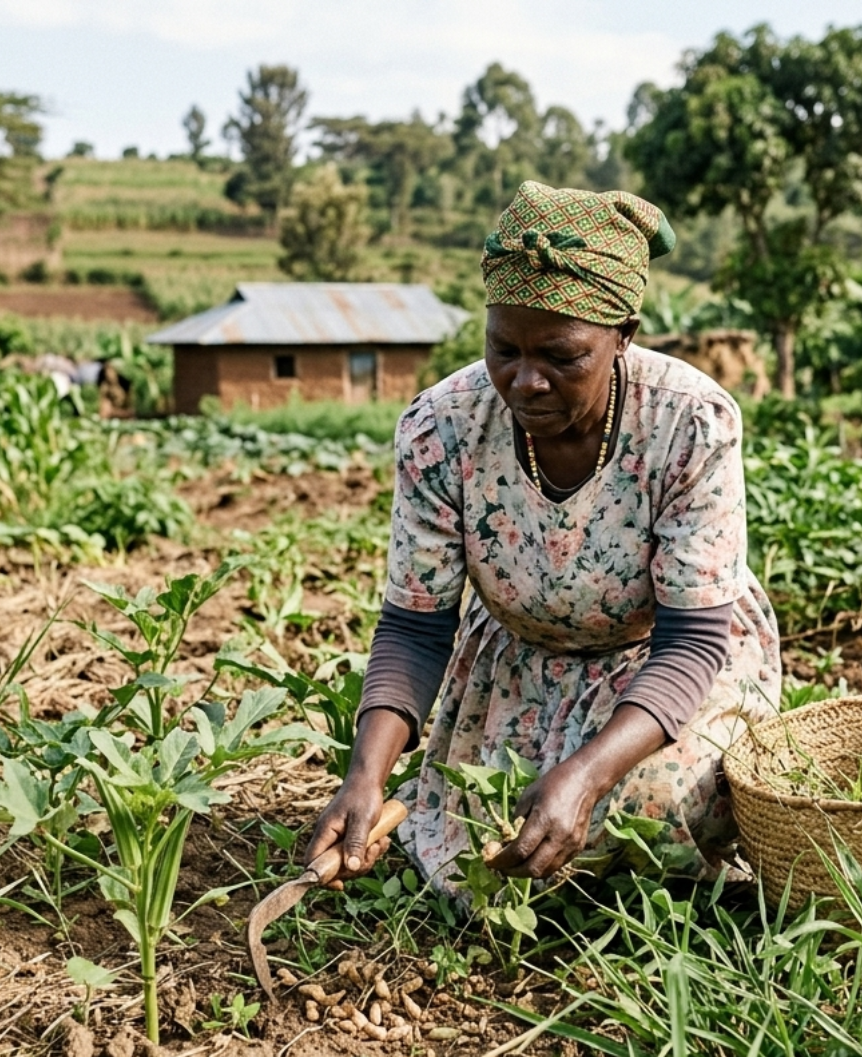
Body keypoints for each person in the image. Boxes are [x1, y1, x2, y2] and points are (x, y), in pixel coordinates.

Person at [305, 181, 782, 899]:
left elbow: (692, 642)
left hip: (667, 662)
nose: (525, 382)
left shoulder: (690, 423)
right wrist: (364, 779)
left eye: (561, 356)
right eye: (504, 349)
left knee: (655, 808)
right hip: (522, 664)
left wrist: (589, 773)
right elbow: (415, 628)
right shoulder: (443, 428)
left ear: (623, 334)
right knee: (496, 825)